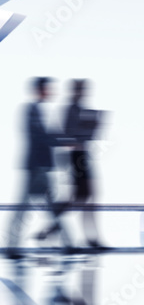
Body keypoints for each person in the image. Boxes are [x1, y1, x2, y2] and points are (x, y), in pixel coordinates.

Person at [5, 77, 70, 259]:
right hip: (35, 166)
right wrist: (62, 140)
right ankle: (11, 246)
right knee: (24, 207)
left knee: (47, 206)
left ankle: (67, 243)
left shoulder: (44, 111)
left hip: (43, 166)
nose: (50, 92)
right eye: (47, 89)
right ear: (39, 90)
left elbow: (47, 135)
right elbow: (38, 136)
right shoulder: (32, 110)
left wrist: (63, 139)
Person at [58, 79, 107, 250]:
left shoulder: (79, 109)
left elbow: (83, 135)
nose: (82, 92)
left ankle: (91, 238)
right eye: (80, 89)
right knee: (84, 198)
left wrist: (93, 128)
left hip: (82, 155)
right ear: (75, 90)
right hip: (76, 156)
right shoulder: (71, 110)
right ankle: (54, 222)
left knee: (85, 198)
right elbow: (66, 135)